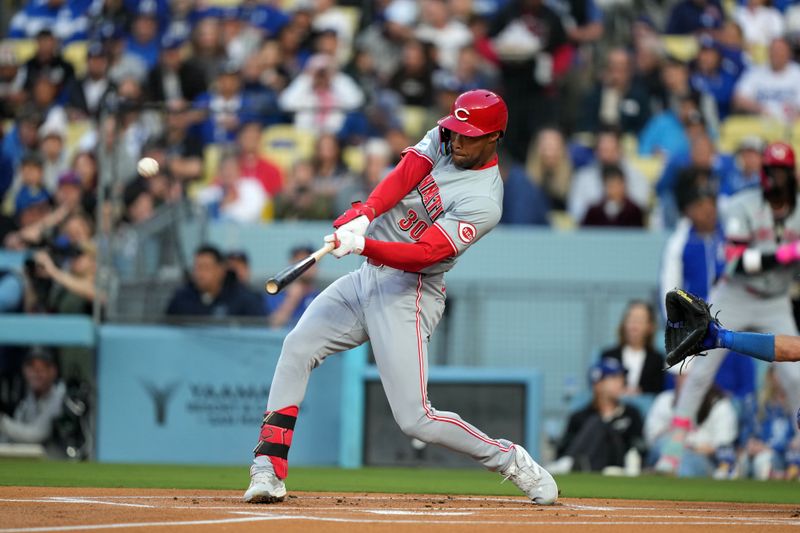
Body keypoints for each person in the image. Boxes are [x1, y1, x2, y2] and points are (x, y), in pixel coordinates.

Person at [243, 90, 558, 505]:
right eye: (456, 130)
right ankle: (268, 468)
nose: (458, 141)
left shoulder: (485, 200)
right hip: (368, 278)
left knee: (416, 420)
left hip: (410, 292)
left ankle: (510, 460)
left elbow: (426, 254)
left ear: (494, 137)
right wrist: (367, 213)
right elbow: (407, 172)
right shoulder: (445, 138)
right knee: (297, 347)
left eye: (469, 135)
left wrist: (363, 245)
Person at [656, 141, 800, 474]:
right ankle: (674, 445)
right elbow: (735, 260)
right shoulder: (742, 204)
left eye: (782, 172)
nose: (776, 179)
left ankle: (796, 446)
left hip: (776, 298)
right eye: (771, 172)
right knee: (700, 367)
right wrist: (785, 255)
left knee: (795, 375)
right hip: (737, 293)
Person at [646, 358, 738, 478]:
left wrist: (689, 446)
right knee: (664, 445)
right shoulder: (664, 400)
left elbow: (722, 449)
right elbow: (652, 440)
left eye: (686, 377)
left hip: (702, 461)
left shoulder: (720, 406)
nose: (679, 381)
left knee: (685, 462)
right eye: (678, 376)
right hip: (664, 454)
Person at [549, 358, 644, 474]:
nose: (621, 382)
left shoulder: (631, 413)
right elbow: (565, 447)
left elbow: (639, 445)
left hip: (619, 465)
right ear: (598, 384)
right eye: (614, 378)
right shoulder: (579, 417)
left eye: (621, 377)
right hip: (588, 465)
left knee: (599, 424)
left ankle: (568, 462)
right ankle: (570, 462)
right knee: (595, 422)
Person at [165, 245, 265, 318]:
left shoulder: (244, 299)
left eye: (206, 267)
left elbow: (258, 329)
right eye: (197, 268)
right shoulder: (182, 298)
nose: (200, 274)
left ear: (221, 270)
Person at [0, 348, 65, 451]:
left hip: (61, 461)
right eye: (32, 368)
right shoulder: (27, 396)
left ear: (53, 371)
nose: (36, 374)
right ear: (24, 370)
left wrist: (2, 422)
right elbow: (10, 436)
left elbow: (39, 434)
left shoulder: (61, 395)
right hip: (34, 461)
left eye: (42, 369)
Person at [599, 301, 666, 395]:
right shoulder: (609, 355)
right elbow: (601, 387)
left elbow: (658, 390)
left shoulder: (657, 359)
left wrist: (640, 392)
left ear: (650, 327)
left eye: (640, 320)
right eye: (631, 319)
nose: (634, 324)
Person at [264, 246, 321, 329]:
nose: (306, 267)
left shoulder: (322, 298)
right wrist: (291, 300)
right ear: (291, 265)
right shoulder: (274, 296)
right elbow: (273, 326)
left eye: (310, 262)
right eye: (300, 262)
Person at [581, 164, 645, 227]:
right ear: (604, 187)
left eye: (618, 185)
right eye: (611, 186)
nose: (615, 190)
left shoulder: (634, 211)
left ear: (624, 185)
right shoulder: (594, 212)